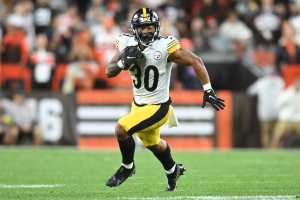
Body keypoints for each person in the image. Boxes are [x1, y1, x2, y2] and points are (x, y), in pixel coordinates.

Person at [105, 8, 225, 191]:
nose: (147, 31)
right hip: (138, 106)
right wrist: (123, 62)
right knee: (154, 144)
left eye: (151, 27)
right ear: (135, 29)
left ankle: (127, 168)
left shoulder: (165, 46)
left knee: (121, 128)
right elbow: (109, 70)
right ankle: (173, 169)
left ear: (157, 27)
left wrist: (208, 89)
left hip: (159, 107)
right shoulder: (126, 42)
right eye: (143, 27)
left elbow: (196, 61)